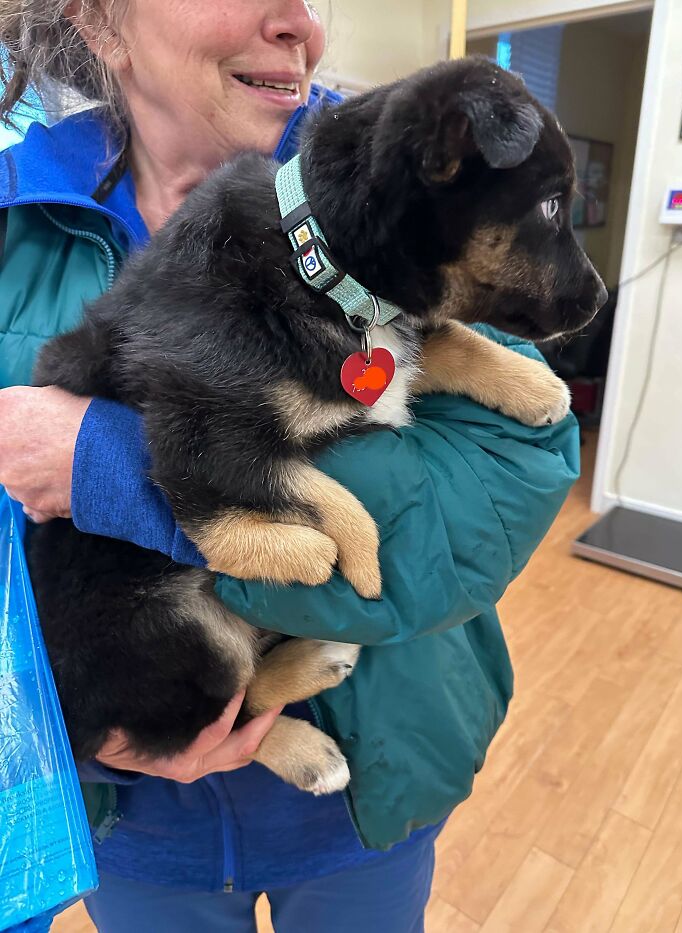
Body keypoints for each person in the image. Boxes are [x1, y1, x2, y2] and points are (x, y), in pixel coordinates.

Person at [0, 2, 580, 931]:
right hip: (133, 825)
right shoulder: (9, 232)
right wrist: (82, 733)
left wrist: (114, 470)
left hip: (375, 796)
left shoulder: (399, 193)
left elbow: (488, 511)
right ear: (99, 21)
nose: (298, 23)